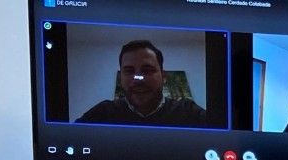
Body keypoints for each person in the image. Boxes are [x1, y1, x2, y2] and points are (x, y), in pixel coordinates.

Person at [76, 40, 208, 127]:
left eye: (148, 70)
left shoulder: (189, 112)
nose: (139, 79)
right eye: (129, 71)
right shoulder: (103, 113)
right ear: (121, 77)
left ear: (163, 76)